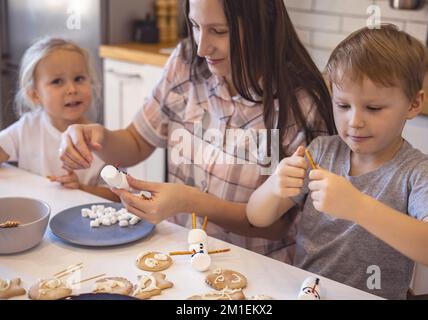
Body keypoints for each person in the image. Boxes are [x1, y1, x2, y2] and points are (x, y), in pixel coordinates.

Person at [58, 0, 335, 263]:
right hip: (180, 253)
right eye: (195, 25)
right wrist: (99, 138)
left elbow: (276, 226)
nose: (202, 47)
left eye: (219, 31)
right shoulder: (186, 62)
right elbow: (136, 141)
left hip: (256, 268)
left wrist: (187, 201)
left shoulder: (301, 105)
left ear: (262, 26)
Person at [246, 24, 428, 299]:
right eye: (343, 105)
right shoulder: (320, 153)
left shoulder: (418, 173)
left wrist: (358, 207)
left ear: (414, 104)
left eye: (373, 108)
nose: (354, 121)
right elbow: (257, 217)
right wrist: (275, 186)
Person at [0, 37, 118, 201]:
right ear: (34, 94)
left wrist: (81, 188)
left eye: (79, 79)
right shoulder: (26, 127)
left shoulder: (101, 140)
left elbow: (118, 196)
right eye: (57, 81)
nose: (72, 89)